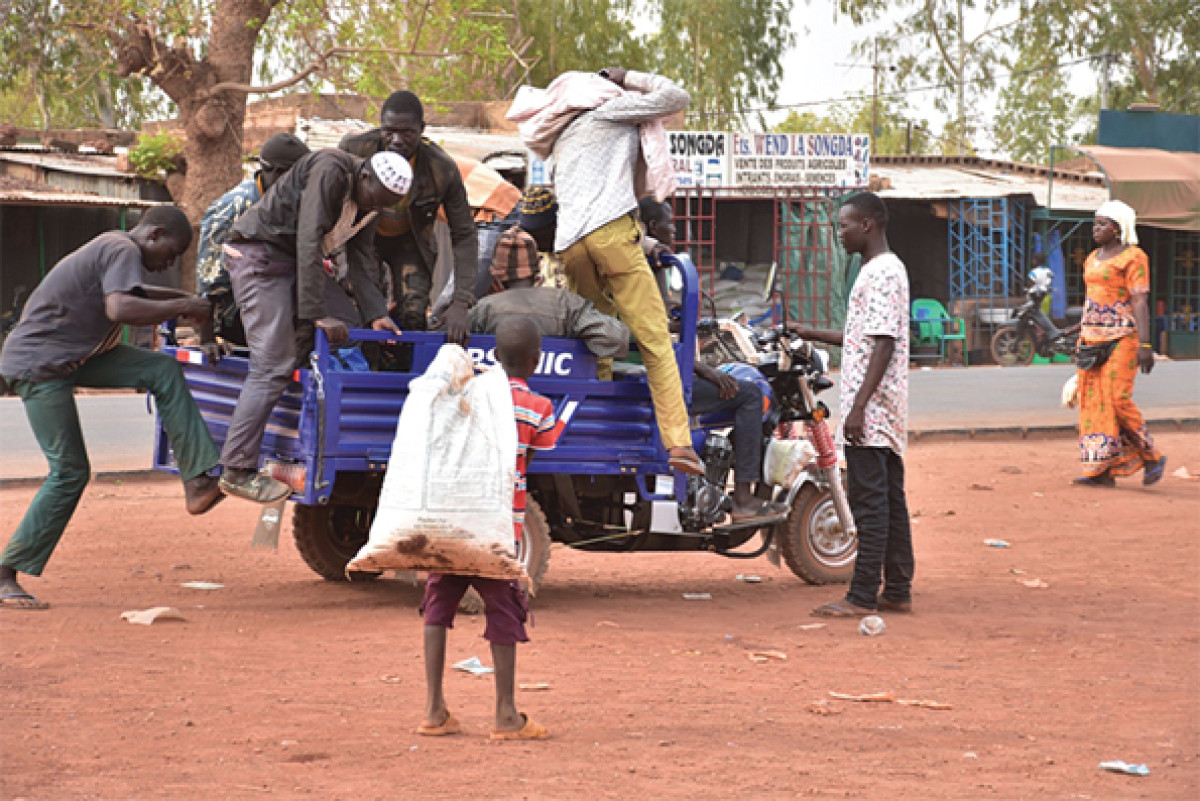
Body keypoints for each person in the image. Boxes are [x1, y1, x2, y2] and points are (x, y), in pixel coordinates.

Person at [0, 207, 222, 610]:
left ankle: (198, 481)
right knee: (70, 471)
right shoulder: (121, 249)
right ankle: (4, 573)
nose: (168, 264)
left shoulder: (113, 251)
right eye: (170, 254)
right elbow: (121, 309)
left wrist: (189, 302)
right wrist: (180, 306)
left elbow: (137, 296)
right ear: (153, 235)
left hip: (74, 357)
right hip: (40, 365)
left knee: (162, 369)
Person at [217, 150, 408, 504]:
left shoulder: (370, 204)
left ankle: (306, 434)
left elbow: (363, 261)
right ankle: (236, 470)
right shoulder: (331, 169)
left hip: (294, 263)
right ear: (364, 176)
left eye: (385, 205)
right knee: (272, 363)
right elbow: (308, 237)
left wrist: (375, 313)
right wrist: (315, 311)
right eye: (375, 200)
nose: (375, 208)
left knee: (348, 326)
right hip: (262, 257)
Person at [549, 66, 703, 476]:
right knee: (655, 339)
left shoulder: (562, 137)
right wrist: (631, 77)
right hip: (612, 234)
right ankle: (679, 443)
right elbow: (675, 95)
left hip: (570, 245)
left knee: (596, 333)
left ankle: (593, 429)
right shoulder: (611, 110)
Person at [418, 316, 564, 740]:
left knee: (437, 605)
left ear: (494, 356)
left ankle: (433, 710)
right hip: (495, 526)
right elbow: (538, 452)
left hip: (451, 520)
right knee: (503, 609)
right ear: (536, 362)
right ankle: (505, 716)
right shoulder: (537, 407)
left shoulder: (468, 393)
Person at [789, 192, 914, 618]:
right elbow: (863, 338)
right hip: (884, 409)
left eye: (844, 225)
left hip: (874, 411)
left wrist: (858, 409)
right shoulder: (881, 270)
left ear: (868, 225)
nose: (838, 233)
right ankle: (897, 586)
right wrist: (807, 331)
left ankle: (861, 594)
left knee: (870, 502)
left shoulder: (881, 273)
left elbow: (883, 343)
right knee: (890, 500)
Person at [339, 91, 477, 344]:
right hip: (364, 239)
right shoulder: (355, 150)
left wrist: (461, 301)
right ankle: (366, 375)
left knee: (413, 314)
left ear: (422, 130)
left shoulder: (441, 168)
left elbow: (464, 234)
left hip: (410, 243)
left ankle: (403, 377)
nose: (396, 140)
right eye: (389, 131)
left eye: (407, 133)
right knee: (364, 307)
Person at [1073, 199, 1166, 487]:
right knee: (1092, 402)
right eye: (1095, 223)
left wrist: (1146, 345)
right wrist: (1079, 326)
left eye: (1102, 224)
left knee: (1116, 398)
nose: (1096, 229)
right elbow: (1095, 298)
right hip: (1090, 338)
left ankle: (1152, 455)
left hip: (1123, 337)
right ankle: (1100, 469)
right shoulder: (1092, 257)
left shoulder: (1134, 257)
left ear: (1118, 228)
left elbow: (1139, 299)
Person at [195, 133, 311, 347]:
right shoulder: (233, 207)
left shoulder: (291, 202)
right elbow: (210, 278)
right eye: (298, 176)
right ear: (277, 173)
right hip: (238, 314)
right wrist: (207, 339)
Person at [468, 226, 630, 360]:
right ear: (537, 269)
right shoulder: (566, 303)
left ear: (496, 275)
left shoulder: (485, 309)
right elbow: (616, 338)